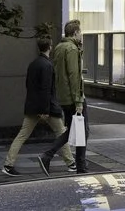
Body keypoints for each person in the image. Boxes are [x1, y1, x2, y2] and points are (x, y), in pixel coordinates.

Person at [2, 27, 67, 175]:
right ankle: (71, 162)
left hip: (32, 106)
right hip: (46, 108)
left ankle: (8, 164)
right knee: (62, 133)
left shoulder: (33, 64)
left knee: (22, 135)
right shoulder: (47, 65)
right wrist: (44, 110)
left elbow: (29, 86)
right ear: (50, 47)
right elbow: (46, 90)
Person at [47, 19, 87, 172]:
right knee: (82, 130)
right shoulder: (71, 49)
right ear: (76, 33)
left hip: (63, 96)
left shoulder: (59, 47)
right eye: (80, 32)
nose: (81, 35)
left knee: (73, 129)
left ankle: (49, 155)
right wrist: (78, 101)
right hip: (73, 97)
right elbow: (74, 75)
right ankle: (80, 167)